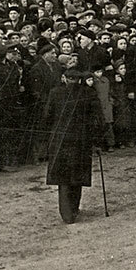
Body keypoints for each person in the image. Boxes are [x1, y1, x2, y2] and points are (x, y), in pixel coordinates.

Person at [44, 69, 106, 224]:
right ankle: (74, 208)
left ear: (64, 79)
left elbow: (47, 117)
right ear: (80, 80)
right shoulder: (88, 93)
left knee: (63, 177)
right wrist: (97, 141)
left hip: (60, 140)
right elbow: (98, 119)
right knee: (78, 174)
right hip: (82, 140)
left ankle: (66, 214)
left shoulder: (55, 93)